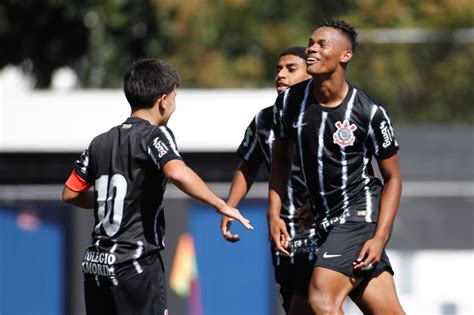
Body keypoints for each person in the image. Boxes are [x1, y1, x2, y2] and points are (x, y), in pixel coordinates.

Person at [62, 58, 253, 315]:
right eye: (175, 96)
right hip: (134, 263)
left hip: (97, 265)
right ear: (163, 100)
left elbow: (71, 193)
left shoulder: (100, 142)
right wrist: (221, 204)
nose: (175, 104)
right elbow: (177, 172)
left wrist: (112, 201)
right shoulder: (154, 135)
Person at [268, 19, 405, 314]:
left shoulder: (369, 113)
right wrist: (273, 212)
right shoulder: (289, 103)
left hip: (359, 216)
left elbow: (393, 178)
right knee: (303, 309)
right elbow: (279, 157)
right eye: (310, 43)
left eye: (321, 44)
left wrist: (380, 237)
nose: (311, 50)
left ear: (345, 55)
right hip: (322, 223)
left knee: (321, 299)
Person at [220, 47, 315, 315]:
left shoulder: (322, 114)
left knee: (314, 301)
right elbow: (248, 166)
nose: (281, 75)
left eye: (290, 69)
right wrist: (230, 206)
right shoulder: (264, 119)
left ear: (311, 73)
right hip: (283, 230)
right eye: (278, 69)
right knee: (294, 303)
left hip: (323, 227)